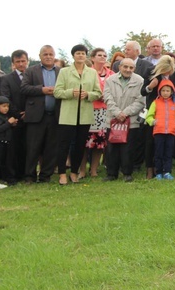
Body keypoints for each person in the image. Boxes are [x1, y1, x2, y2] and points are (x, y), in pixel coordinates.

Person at [53, 44, 102, 185]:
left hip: (85, 114)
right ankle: (62, 173)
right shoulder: (64, 71)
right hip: (67, 114)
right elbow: (57, 92)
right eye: (78, 53)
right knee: (64, 144)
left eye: (83, 53)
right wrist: (69, 93)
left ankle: (74, 172)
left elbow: (98, 93)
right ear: (73, 55)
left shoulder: (92, 73)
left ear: (86, 56)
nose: (80, 55)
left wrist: (88, 94)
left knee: (80, 145)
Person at [21, 45, 61, 183]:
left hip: (55, 115)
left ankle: (45, 176)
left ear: (54, 56)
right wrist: (42, 90)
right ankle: (30, 176)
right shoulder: (31, 71)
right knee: (33, 147)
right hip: (36, 116)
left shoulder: (61, 72)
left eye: (51, 54)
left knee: (51, 148)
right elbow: (24, 88)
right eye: (45, 54)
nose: (48, 56)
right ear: (40, 56)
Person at [103, 58, 146, 182]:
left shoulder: (140, 81)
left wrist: (125, 113)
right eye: (125, 67)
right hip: (112, 119)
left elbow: (141, 101)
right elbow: (107, 97)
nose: (128, 70)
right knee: (111, 148)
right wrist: (117, 113)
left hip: (130, 120)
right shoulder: (110, 80)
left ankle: (127, 173)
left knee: (128, 148)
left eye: (131, 68)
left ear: (134, 69)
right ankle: (111, 173)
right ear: (120, 67)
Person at [81, 48, 113, 178]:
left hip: (104, 111)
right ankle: (82, 170)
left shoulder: (111, 73)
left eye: (105, 55)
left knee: (99, 142)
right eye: (99, 55)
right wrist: (95, 95)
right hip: (88, 108)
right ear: (92, 58)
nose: (102, 57)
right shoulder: (86, 72)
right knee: (84, 141)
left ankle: (94, 169)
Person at [0, 49, 28, 185]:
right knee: (12, 149)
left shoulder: (33, 76)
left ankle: (25, 173)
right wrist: (18, 114)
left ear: (27, 61)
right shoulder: (6, 79)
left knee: (27, 147)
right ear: (13, 63)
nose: (21, 64)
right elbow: (6, 98)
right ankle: (11, 175)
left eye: (23, 61)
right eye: (18, 62)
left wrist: (29, 112)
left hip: (32, 117)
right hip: (13, 119)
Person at [145, 80, 175, 179]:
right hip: (158, 132)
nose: (165, 93)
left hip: (171, 132)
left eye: (168, 91)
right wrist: (153, 122)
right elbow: (149, 116)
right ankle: (159, 172)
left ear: (172, 92)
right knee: (158, 152)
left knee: (168, 152)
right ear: (159, 91)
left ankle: (167, 171)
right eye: (163, 90)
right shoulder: (155, 103)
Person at [0, 96, 18, 190]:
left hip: (7, 142)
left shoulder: (6, 116)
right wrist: (8, 123)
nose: (6, 108)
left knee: (8, 162)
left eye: (7, 106)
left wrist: (12, 125)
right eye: (3, 106)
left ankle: (9, 178)